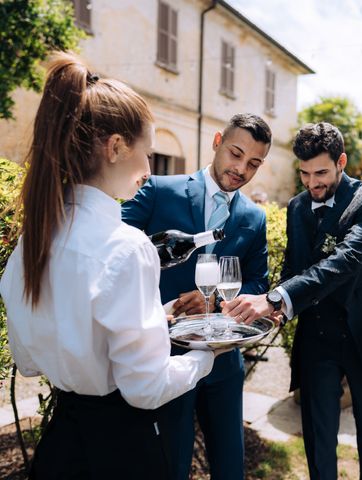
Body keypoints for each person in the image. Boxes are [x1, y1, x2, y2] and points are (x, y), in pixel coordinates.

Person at [0, 53, 215, 479]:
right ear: (116, 147)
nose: (149, 172)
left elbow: (29, 359)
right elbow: (145, 388)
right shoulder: (126, 247)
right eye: (148, 153)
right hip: (120, 452)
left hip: (60, 446)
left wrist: (159, 316)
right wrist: (205, 355)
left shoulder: (32, 240)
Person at [223, 122, 362, 479]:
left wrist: (276, 300)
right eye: (305, 173)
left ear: (341, 161)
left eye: (322, 172)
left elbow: (344, 261)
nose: (313, 182)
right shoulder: (297, 207)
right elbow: (295, 268)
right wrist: (270, 315)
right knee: (317, 438)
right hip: (318, 338)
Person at [121, 113, 271, 479]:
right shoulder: (159, 189)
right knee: (170, 461)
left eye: (253, 163)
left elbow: (257, 283)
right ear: (217, 141)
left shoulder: (254, 216)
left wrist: (217, 302)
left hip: (224, 363)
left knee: (229, 463)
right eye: (236, 154)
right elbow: (115, 251)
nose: (241, 169)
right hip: (164, 356)